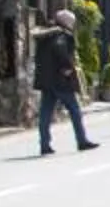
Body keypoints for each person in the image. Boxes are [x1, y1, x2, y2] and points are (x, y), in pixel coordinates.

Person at [33, 10, 98, 155]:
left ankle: (44, 145)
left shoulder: (46, 35)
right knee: (74, 110)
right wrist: (67, 67)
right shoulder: (62, 36)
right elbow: (60, 49)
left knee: (45, 113)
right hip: (60, 81)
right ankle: (82, 141)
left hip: (46, 81)